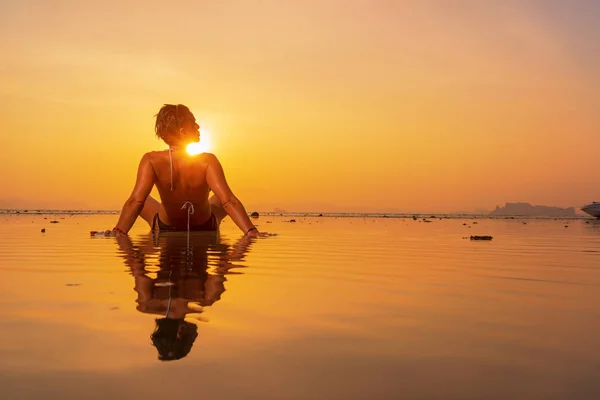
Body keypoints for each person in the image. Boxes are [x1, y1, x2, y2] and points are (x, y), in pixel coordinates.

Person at [109, 104, 265, 236]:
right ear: (183, 131)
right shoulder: (207, 161)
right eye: (193, 122)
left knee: (143, 199)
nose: (198, 126)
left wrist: (119, 231)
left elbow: (135, 201)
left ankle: (126, 236)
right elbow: (229, 201)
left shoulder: (151, 160)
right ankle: (223, 256)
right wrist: (250, 231)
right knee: (219, 198)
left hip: (166, 226)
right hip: (205, 225)